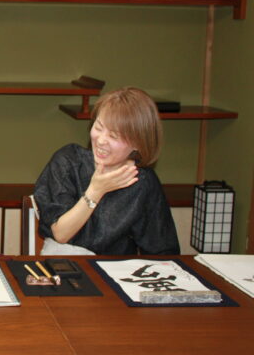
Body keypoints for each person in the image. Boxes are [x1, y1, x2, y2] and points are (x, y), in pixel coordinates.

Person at [33, 87, 180, 255]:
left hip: (117, 269)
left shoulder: (143, 182)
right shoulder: (69, 161)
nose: (101, 140)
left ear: (138, 143)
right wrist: (96, 190)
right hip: (64, 263)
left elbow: (162, 250)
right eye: (99, 127)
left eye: (114, 136)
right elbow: (61, 234)